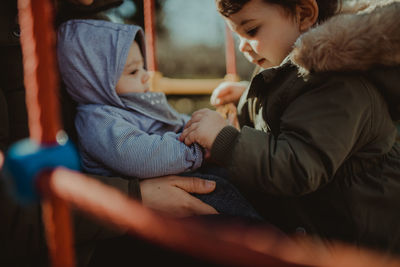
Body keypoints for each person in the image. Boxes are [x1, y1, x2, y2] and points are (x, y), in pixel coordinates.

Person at [180, 0, 400, 255]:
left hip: (357, 241)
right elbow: (295, 106)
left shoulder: (339, 84)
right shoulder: (305, 73)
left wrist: (224, 139)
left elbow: (297, 166)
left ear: (304, 13)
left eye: (251, 31)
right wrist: (249, 97)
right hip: (316, 220)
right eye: (236, 35)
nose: (243, 47)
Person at [56, 19, 261, 220]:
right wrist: (196, 148)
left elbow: (174, 122)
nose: (146, 76)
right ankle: (265, 241)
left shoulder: (130, 104)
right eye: (134, 71)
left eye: (142, 67)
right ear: (95, 81)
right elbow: (140, 155)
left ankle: (270, 223)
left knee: (236, 176)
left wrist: (198, 127)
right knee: (220, 193)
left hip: (178, 170)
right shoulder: (97, 120)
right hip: (154, 191)